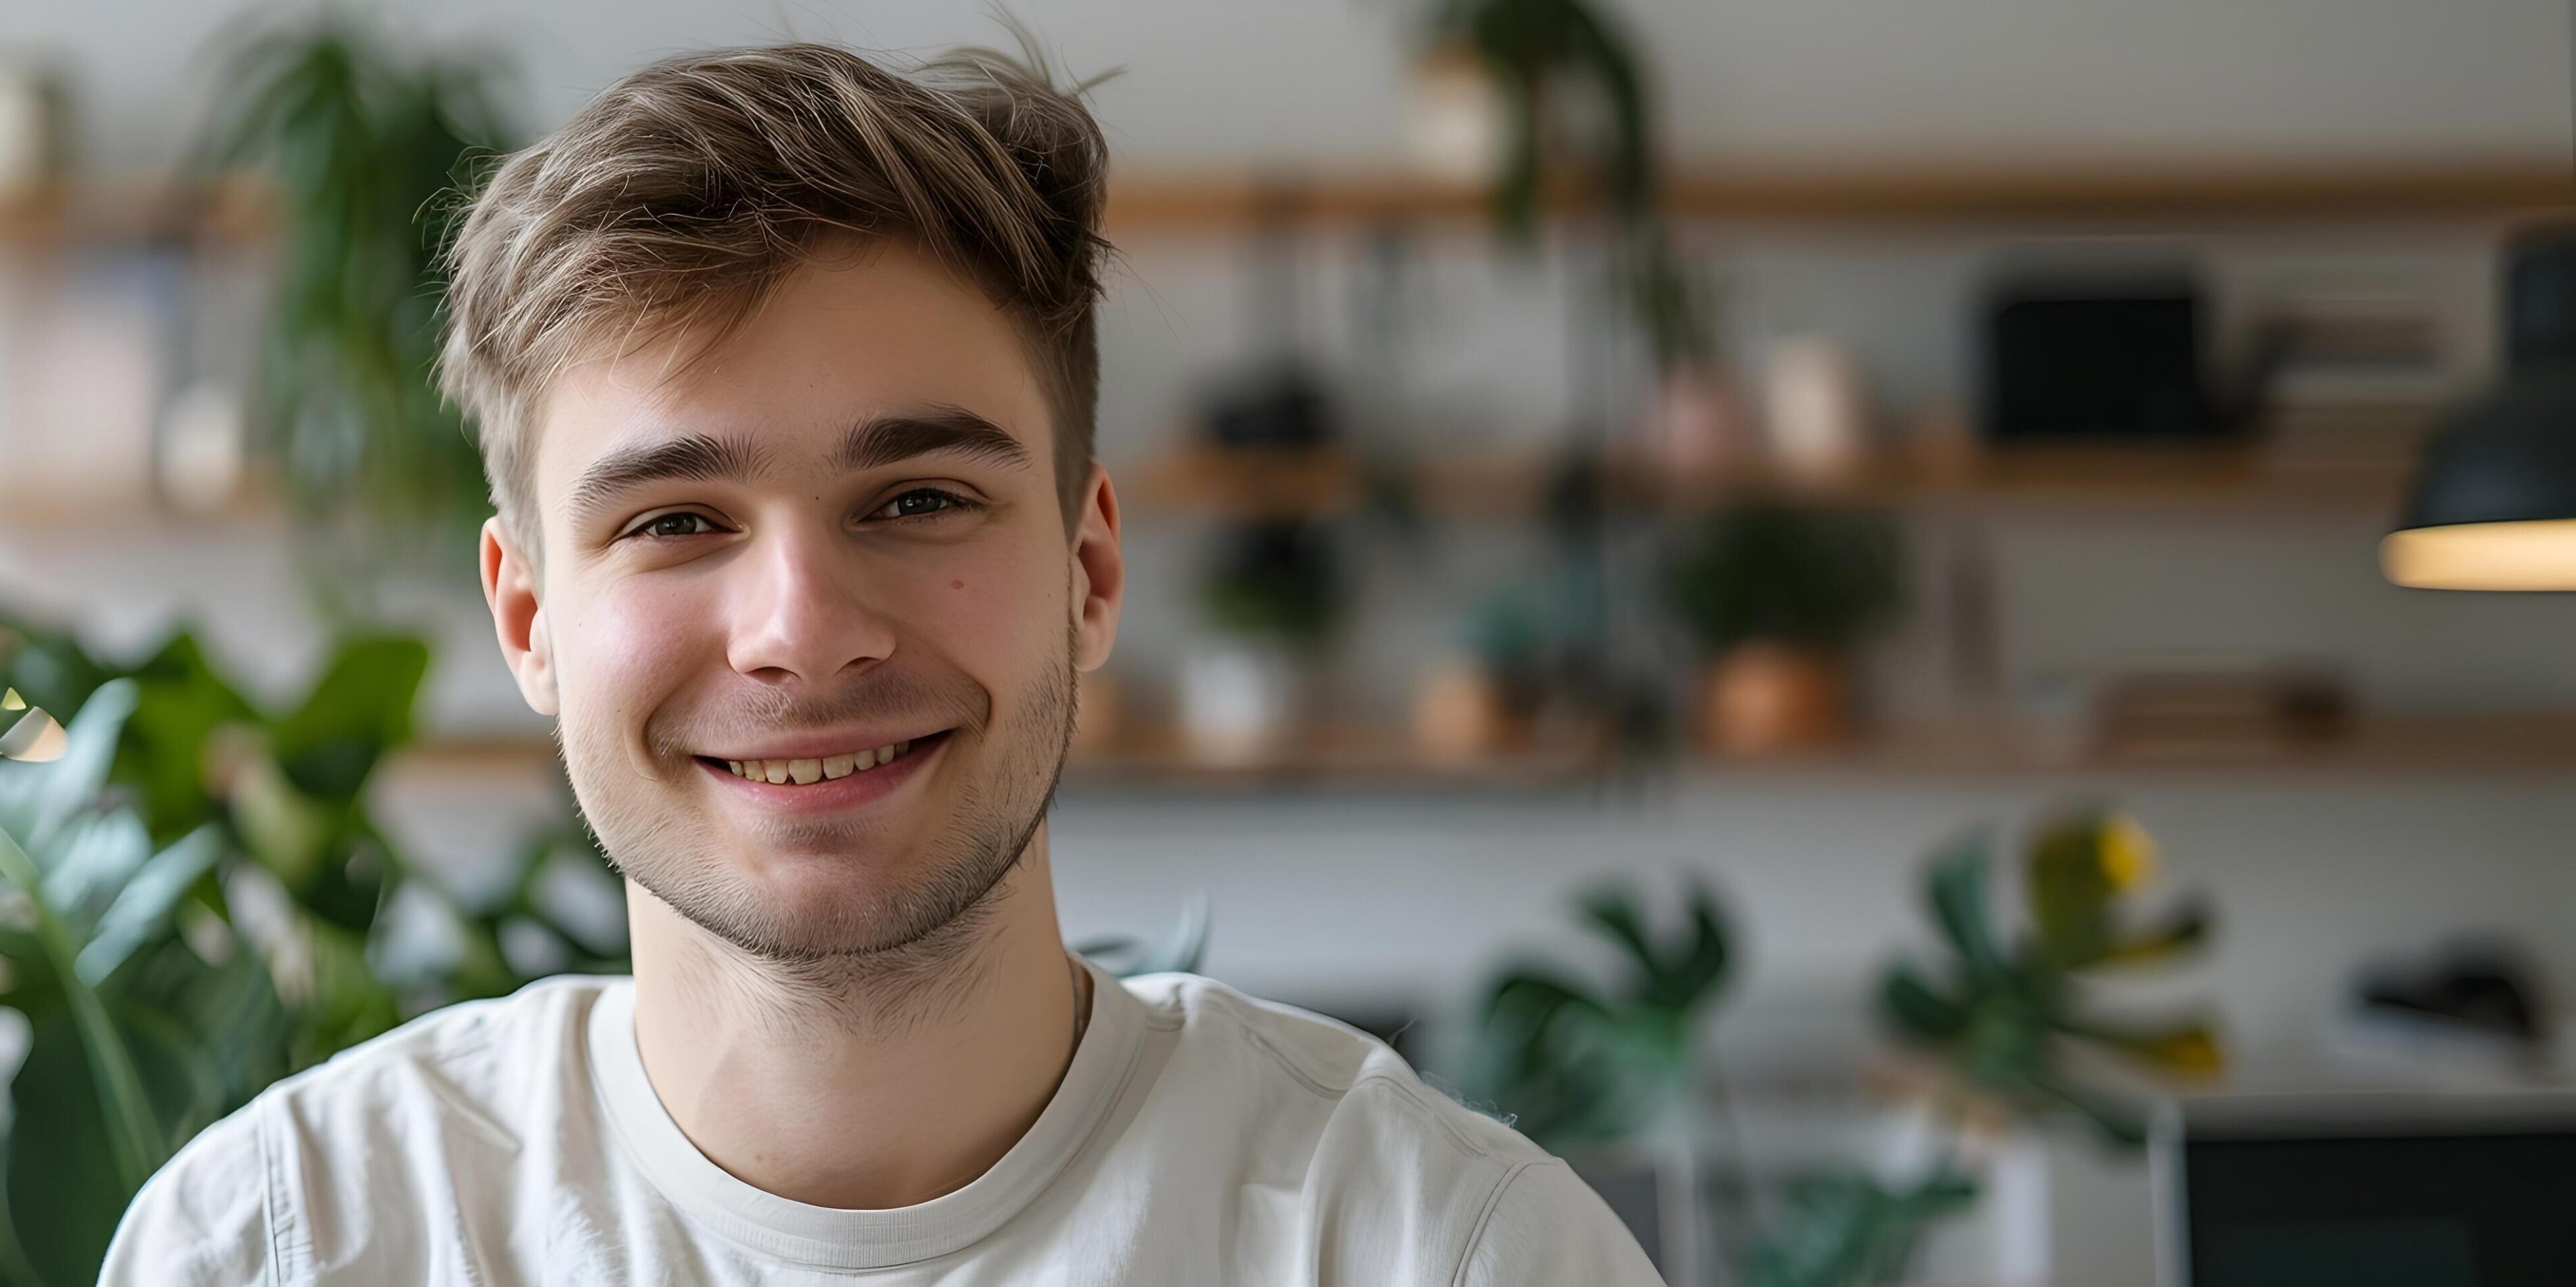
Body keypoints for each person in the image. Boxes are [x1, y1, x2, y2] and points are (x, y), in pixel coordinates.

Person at [99, 40, 1660, 1285]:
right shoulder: (279, 1246)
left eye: (915, 499)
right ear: (527, 621)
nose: (801, 626)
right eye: (675, 518)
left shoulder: (1439, 1250)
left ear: (1089, 570)